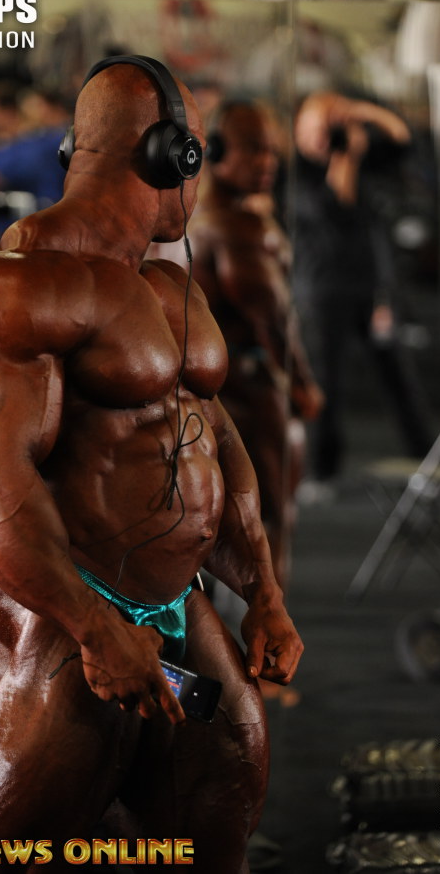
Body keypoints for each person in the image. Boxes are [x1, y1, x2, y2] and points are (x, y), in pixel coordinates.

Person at [0, 57, 303, 873]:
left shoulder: (165, 283)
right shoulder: (20, 286)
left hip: (177, 603)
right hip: (73, 616)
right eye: (196, 149)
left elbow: (211, 433)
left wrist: (263, 591)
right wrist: (95, 630)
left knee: (214, 829)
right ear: (174, 154)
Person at [190, 100, 323, 588]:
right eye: (253, 150)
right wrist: (302, 384)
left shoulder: (187, 217)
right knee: (270, 521)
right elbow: (272, 316)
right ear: (216, 151)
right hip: (246, 388)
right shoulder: (236, 226)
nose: (267, 162)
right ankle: (270, 618)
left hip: (196, 393)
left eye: (272, 151)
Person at [292, 91, 434, 496]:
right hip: (324, 291)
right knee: (327, 383)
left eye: (328, 127)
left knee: (398, 377)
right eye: (316, 127)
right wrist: (346, 158)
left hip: (371, 287)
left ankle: (427, 464)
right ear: (300, 129)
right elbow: (337, 204)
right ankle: (323, 472)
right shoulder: (297, 171)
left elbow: (402, 139)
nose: (323, 137)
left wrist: (360, 112)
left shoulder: (359, 154)